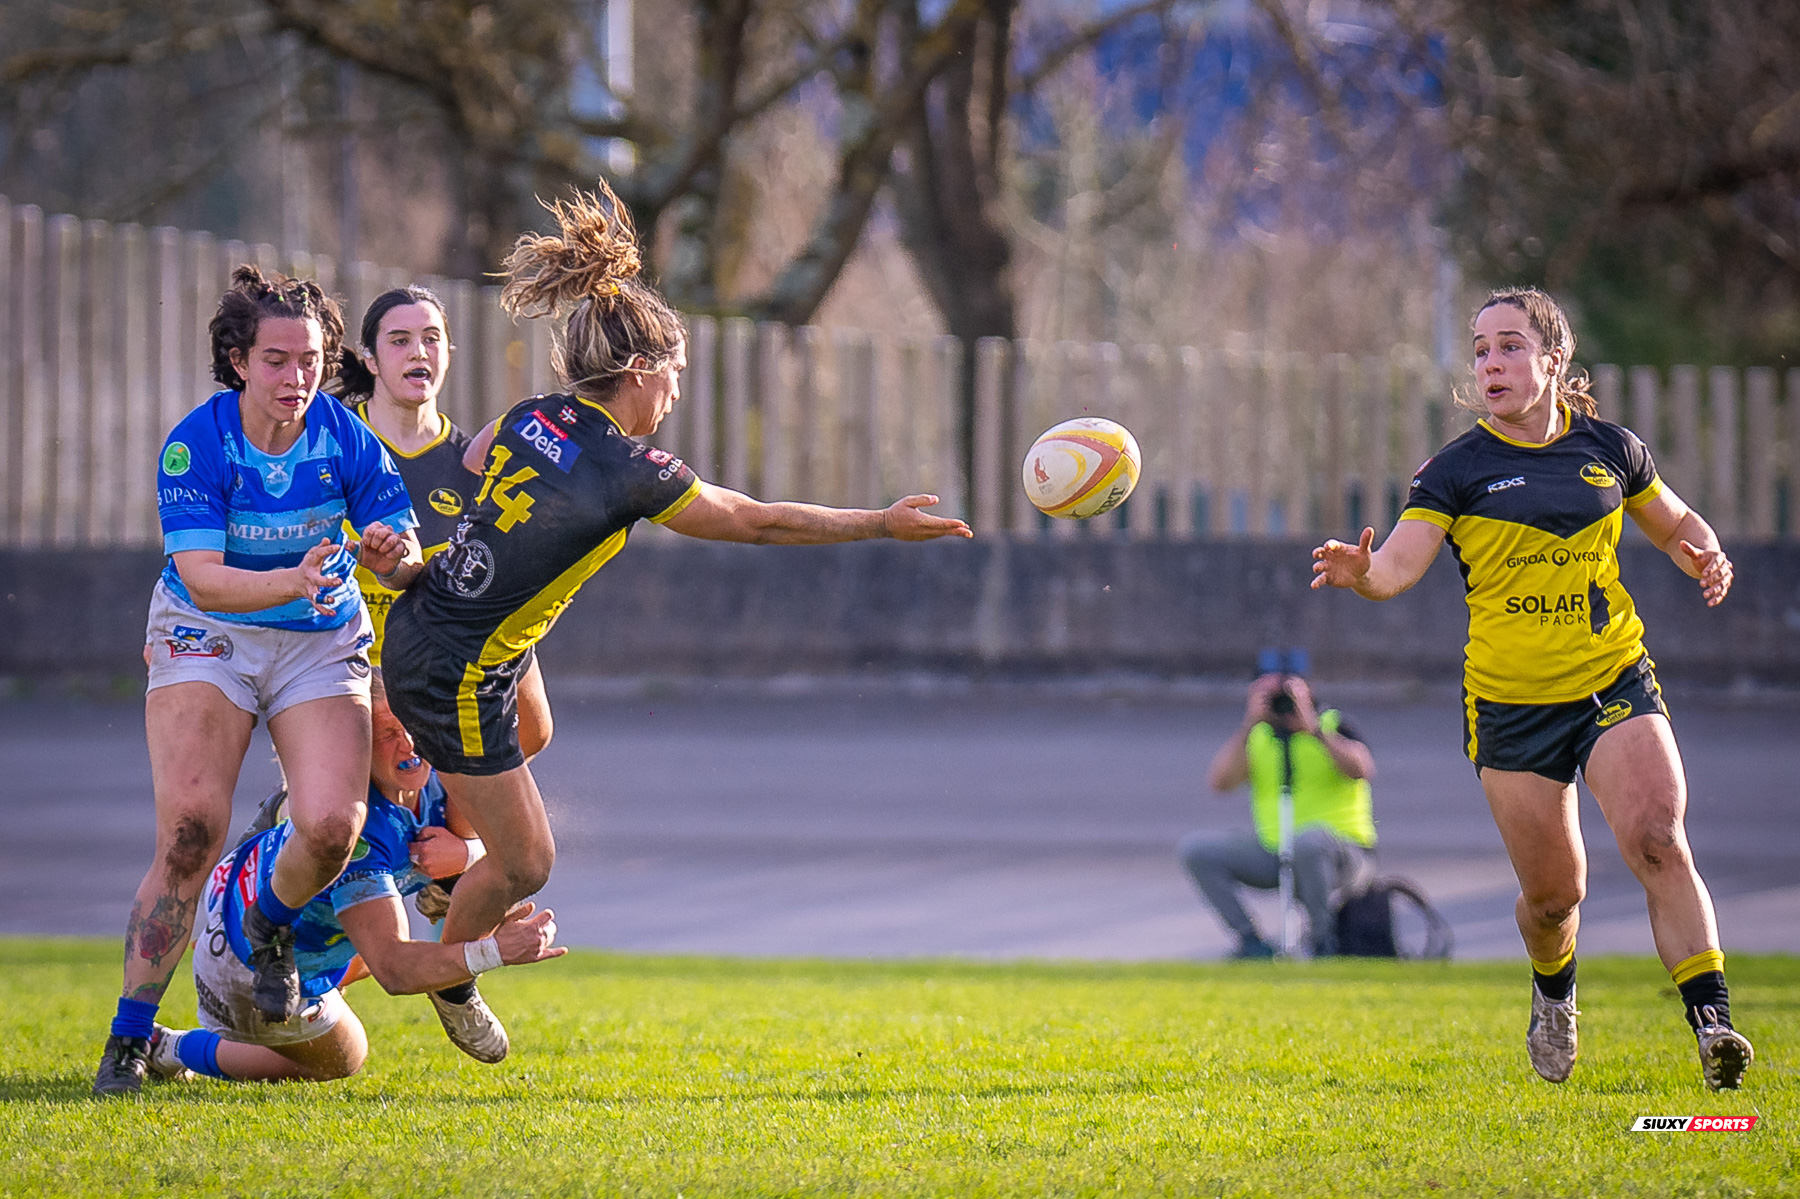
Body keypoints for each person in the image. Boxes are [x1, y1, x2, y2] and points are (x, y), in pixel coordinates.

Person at [379, 180, 973, 1057]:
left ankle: (435, 844)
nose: (678, 392)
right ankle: (454, 970)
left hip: (440, 625)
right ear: (642, 372)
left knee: (537, 725)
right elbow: (756, 520)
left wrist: (484, 544)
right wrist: (879, 521)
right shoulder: (631, 469)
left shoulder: (531, 415)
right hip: (452, 670)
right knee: (527, 863)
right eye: (677, 374)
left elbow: (470, 461)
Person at [1311, 285, 1754, 1091]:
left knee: (1658, 836)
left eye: (1510, 345)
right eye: (1480, 350)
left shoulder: (1612, 448)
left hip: (1612, 676)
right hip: (1512, 705)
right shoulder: (1455, 470)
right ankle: (1555, 994)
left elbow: (1678, 522)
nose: (1491, 362)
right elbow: (1400, 567)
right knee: (1555, 897)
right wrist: (1361, 573)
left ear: (1554, 360)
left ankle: (1713, 1023)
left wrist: (1705, 552)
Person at [93, 267, 425, 1097]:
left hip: (317, 640)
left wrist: (392, 556)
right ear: (239, 361)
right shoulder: (196, 442)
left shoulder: (347, 438)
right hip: (209, 634)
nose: (297, 378)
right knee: (192, 833)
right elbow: (202, 577)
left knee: (330, 828)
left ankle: (268, 929)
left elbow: (404, 549)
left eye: (310, 359)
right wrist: (293, 579)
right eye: (276, 360)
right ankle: (131, 1038)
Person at [144, 673, 562, 1086]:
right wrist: (492, 951)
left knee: (383, 934)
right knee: (346, 1056)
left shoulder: (436, 779)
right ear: (358, 746)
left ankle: (426, 966)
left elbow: (527, 743)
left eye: (412, 725)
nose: (409, 744)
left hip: (247, 889)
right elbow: (395, 972)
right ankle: (168, 1046)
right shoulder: (360, 836)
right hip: (246, 961)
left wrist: (467, 852)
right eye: (387, 734)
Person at [334, 287, 552, 761]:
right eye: (399, 340)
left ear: (448, 354)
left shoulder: (477, 465)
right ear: (370, 359)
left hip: (442, 681)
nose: (418, 351)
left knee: (535, 730)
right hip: (344, 676)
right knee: (339, 821)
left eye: (431, 339)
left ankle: (461, 830)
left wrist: (464, 835)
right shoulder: (332, 450)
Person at [1180, 659, 1376, 958]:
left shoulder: (1334, 723)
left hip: (1342, 853)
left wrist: (1313, 729)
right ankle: (1251, 943)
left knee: (1308, 842)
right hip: (1276, 852)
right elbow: (1220, 783)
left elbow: (1362, 768)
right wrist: (1249, 723)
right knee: (1198, 850)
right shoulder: (1258, 736)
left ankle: (1323, 941)